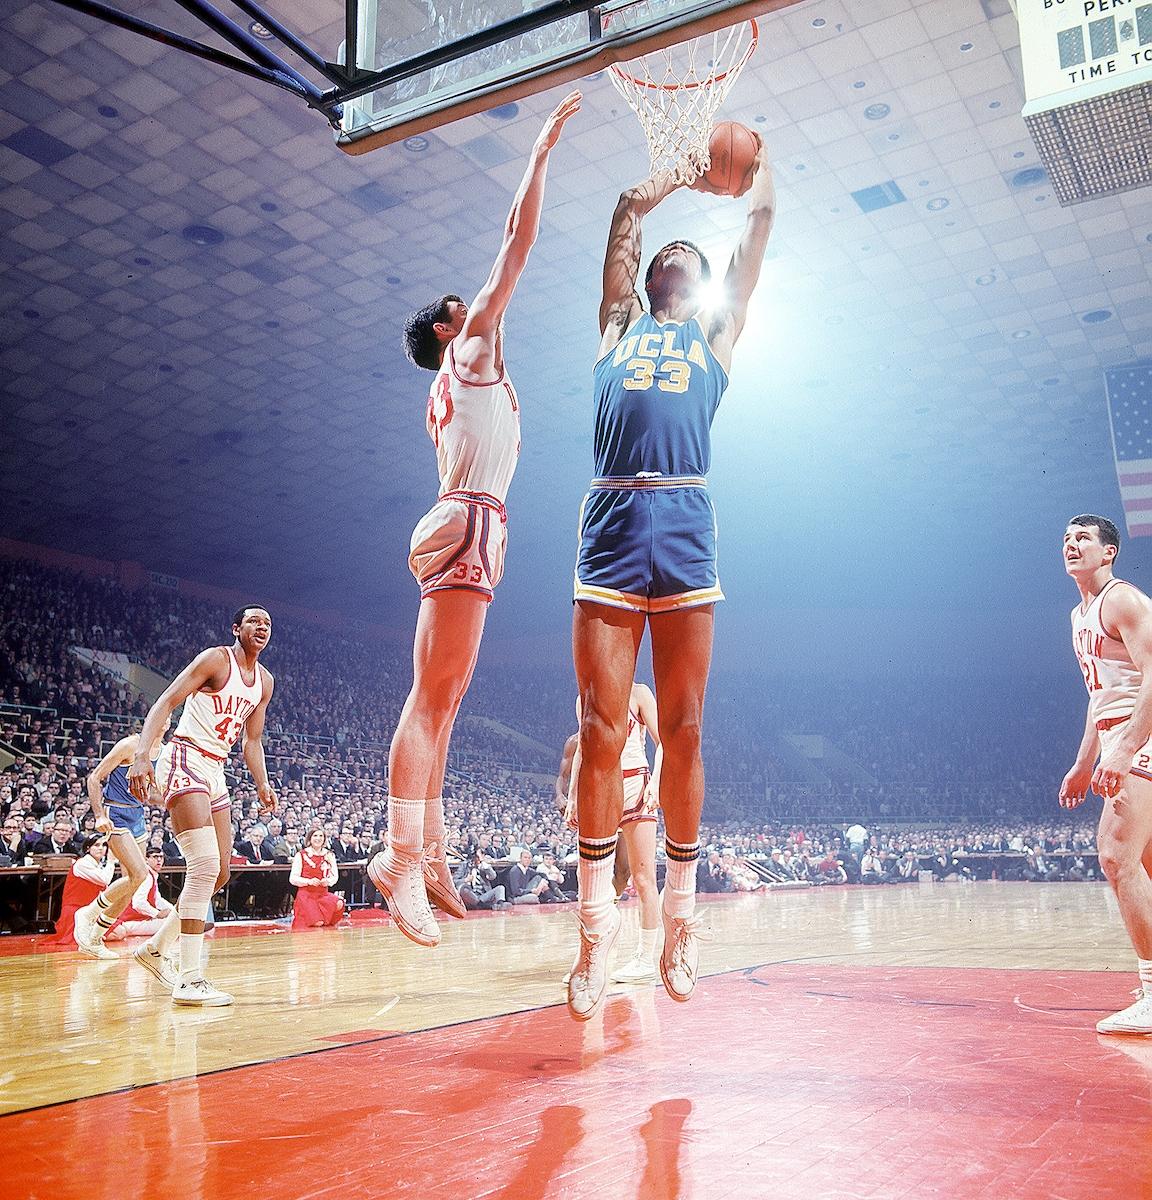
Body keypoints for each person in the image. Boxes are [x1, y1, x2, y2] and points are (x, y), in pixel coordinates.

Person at [367, 91, 582, 949]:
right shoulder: (471, 347)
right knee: (430, 700)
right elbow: (516, 242)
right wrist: (539, 153)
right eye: (464, 303)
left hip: (469, 520)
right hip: (468, 519)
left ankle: (429, 849)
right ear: (447, 327)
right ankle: (397, 855)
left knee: (448, 701)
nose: (479, 303)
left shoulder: (450, 382)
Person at [567, 141, 776, 1020]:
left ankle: (681, 923)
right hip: (613, 512)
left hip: (686, 515)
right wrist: (679, 174)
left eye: (687, 251)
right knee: (600, 726)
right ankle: (594, 926)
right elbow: (625, 209)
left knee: (684, 727)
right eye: (664, 251)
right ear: (647, 276)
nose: (673, 252)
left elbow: (759, 229)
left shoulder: (715, 333)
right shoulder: (619, 324)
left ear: (701, 280)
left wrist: (760, 170)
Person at [128, 605, 277, 1006]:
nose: (262, 627)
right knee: (205, 866)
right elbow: (166, 701)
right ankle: (190, 979)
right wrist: (142, 754)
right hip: (185, 756)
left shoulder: (265, 681)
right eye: (254, 621)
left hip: (216, 768)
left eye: (267, 623)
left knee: (221, 873)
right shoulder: (216, 659)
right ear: (236, 628)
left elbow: (252, 741)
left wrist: (263, 783)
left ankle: (156, 949)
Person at [1060, 514, 1152, 1034]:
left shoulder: (1122, 600)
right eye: (1067, 539)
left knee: (1115, 856)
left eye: (1084, 538)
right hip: (1119, 734)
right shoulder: (1079, 615)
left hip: (1142, 734)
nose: (1072, 545)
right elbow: (1100, 697)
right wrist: (1083, 761)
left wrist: (1125, 749)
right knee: (1144, 863)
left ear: (1109, 551)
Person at [566, 683, 663, 985]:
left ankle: (645, 959)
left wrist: (656, 783)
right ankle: (592, 953)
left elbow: (663, 743)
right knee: (592, 882)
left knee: (643, 878)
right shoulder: (585, 698)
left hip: (636, 785)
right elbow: (583, 748)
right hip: (601, 786)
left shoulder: (639, 693)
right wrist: (572, 796)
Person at [71, 719, 167, 960]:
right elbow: (94, 778)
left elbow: (150, 795)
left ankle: (94, 938)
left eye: (167, 717)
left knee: (133, 883)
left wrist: (173, 798)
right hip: (115, 812)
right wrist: (99, 815)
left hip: (137, 815)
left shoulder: (164, 753)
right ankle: (87, 913)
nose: (164, 720)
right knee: (140, 874)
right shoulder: (130, 745)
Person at [44, 835, 115, 948]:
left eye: (104, 845)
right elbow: (105, 880)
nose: (101, 848)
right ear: (88, 848)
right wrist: (111, 861)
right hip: (77, 912)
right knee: (114, 933)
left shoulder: (98, 865)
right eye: (96, 845)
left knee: (118, 932)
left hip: (91, 911)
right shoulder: (82, 864)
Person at [105, 848, 175, 941]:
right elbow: (138, 903)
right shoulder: (147, 876)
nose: (159, 860)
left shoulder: (151, 875)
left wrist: (174, 911)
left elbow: (157, 899)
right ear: (146, 859)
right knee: (174, 924)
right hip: (130, 921)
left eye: (161, 857)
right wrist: (157, 914)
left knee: (175, 920)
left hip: (137, 919)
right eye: (155, 857)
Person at [290, 828, 345, 929]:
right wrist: (309, 882)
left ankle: (325, 920)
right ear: (310, 838)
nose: (318, 838)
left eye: (321, 836)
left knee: (339, 903)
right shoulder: (301, 855)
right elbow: (293, 878)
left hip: (323, 894)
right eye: (315, 836)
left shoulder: (329, 855)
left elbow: (334, 876)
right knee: (317, 922)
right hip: (307, 894)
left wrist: (327, 881)